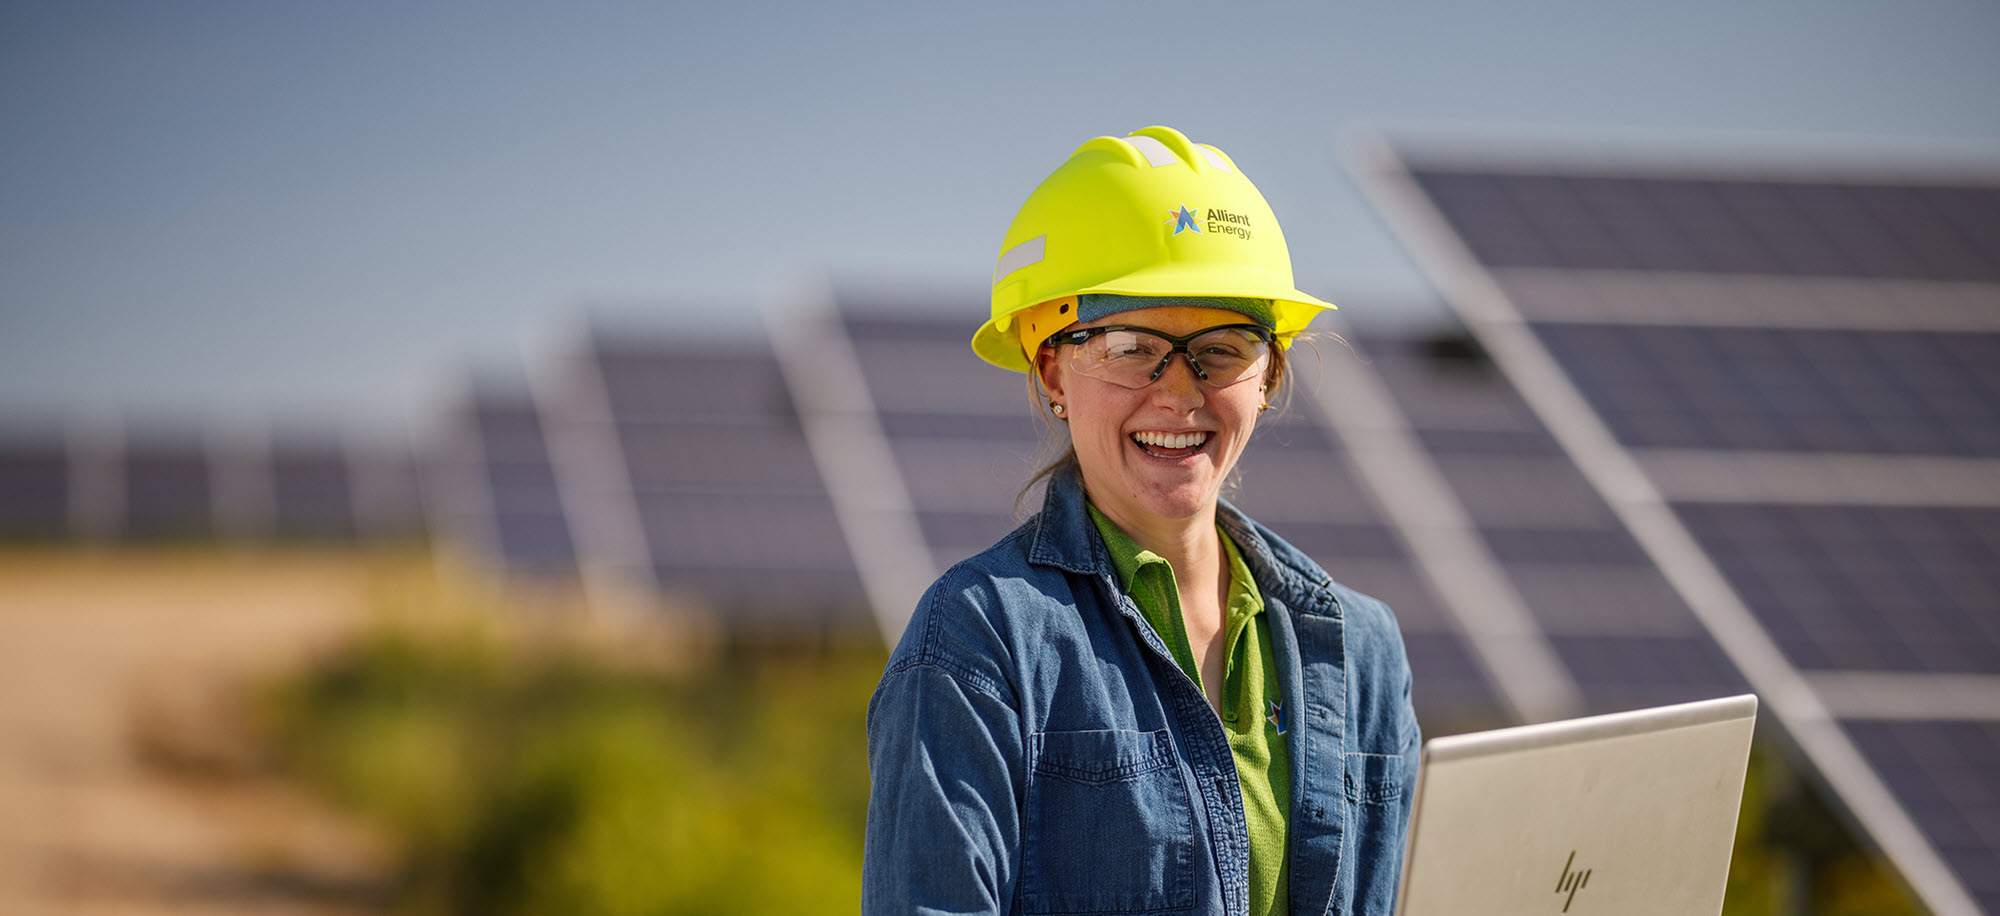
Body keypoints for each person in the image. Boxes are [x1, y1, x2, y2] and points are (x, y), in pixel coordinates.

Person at [862, 126, 1418, 916]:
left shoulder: (1361, 650)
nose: (1181, 392)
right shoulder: (978, 641)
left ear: (1269, 375)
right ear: (1053, 371)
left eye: (1223, 349)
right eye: (1129, 346)